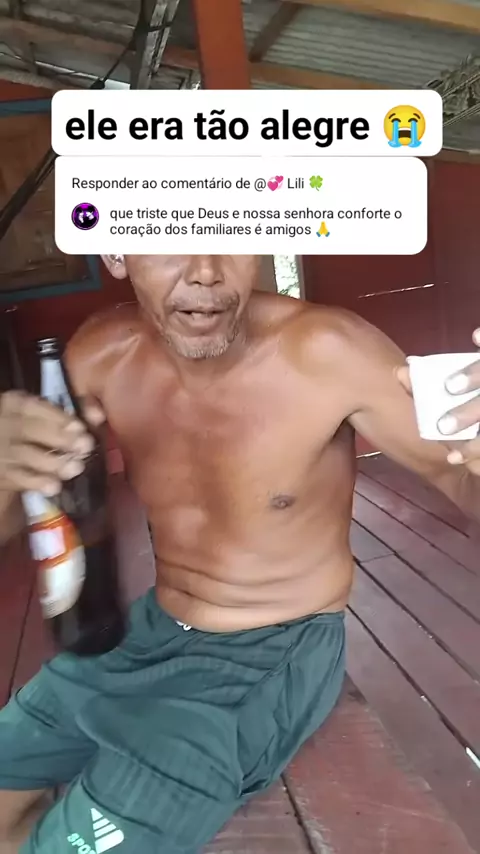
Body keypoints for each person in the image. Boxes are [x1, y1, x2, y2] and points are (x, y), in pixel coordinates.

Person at [0, 254, 479, 854]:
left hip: (276, 649)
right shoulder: (101, 353)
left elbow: (461, 478)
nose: (206, 269)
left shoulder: (329, 351)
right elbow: (31, 508)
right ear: (116, 254)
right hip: (142, 631)